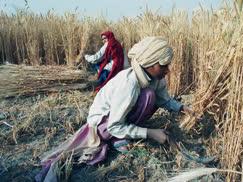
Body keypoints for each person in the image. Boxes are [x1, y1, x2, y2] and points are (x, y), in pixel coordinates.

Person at [35, 36, 192, 182]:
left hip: (117, 120)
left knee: (151, 96)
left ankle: (125, 133)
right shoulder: (128, 84)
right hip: (103, 125)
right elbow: (113, 125)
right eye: (163, 66)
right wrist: (150, 133)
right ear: (149, 63)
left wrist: (183, 108)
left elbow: (164, 100)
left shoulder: (154, 79)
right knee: (148, 96)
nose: (167, 70)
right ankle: (116, 138)